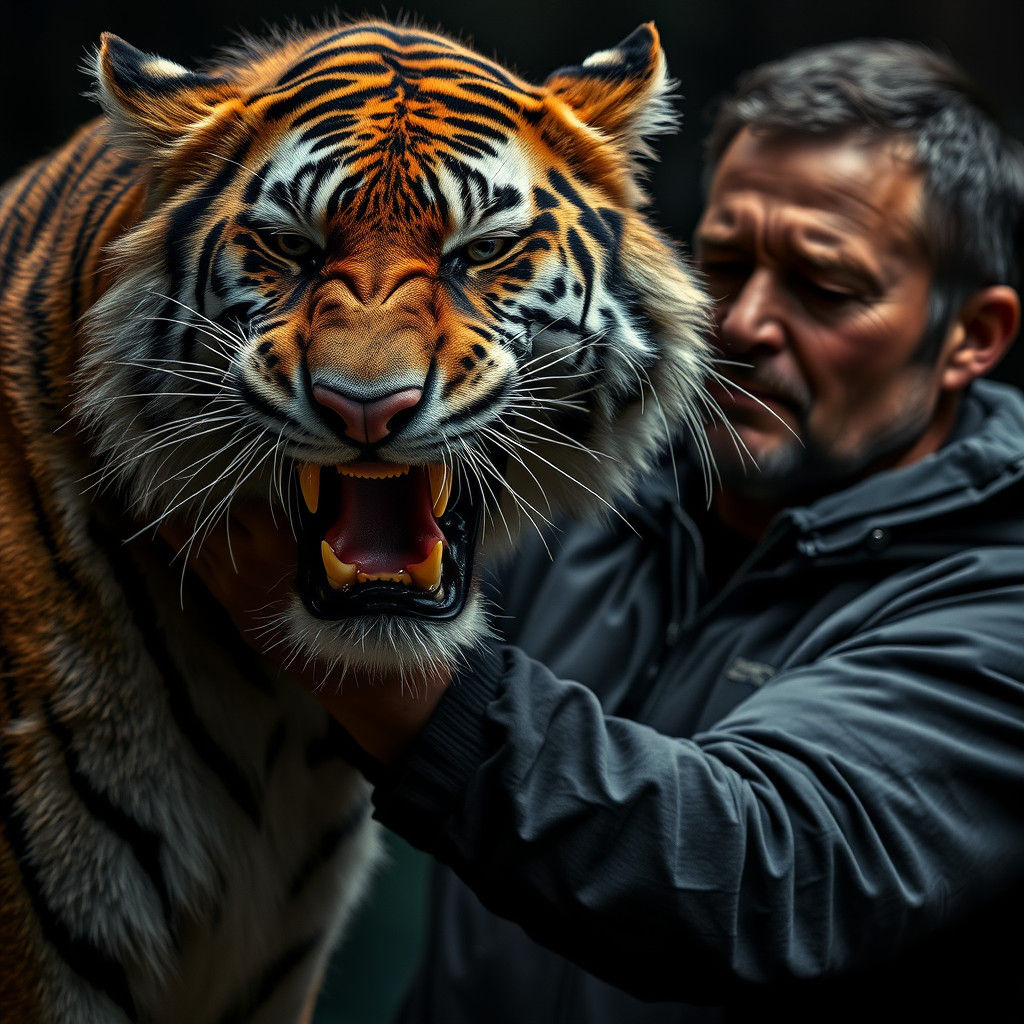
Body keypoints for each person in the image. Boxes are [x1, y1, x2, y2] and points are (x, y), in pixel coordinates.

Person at [193, 40, 1024, 1020]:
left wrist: (381, 666)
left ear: (972, 335)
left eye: (825, 287)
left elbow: (757, 873)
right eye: (720, 262)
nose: (742, 320)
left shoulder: (998, 603)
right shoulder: (583, 475)